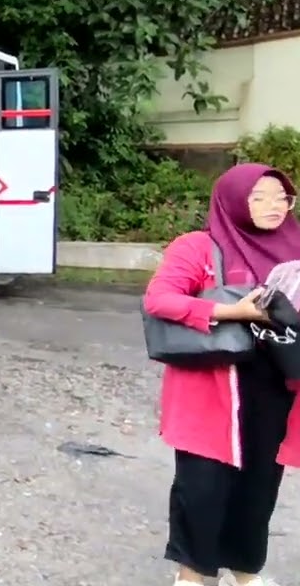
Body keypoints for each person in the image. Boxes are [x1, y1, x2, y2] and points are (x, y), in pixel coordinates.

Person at [143, 162, 300, 586]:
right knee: (202, 487)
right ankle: (191, 576)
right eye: (258, 197)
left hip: (275, 386)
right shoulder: (198, 247)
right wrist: (233, 311)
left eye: (282, 197)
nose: (273, 205)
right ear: (233, 201)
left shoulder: (296, 249)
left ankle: (245, 574)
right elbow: (159, 299)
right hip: (212, 386)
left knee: (259, 488)